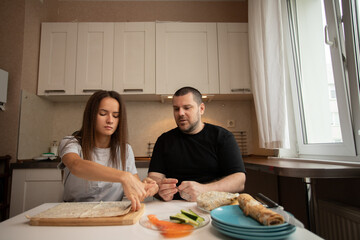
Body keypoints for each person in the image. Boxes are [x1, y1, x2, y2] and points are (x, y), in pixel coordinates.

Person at [58, 90, 158, 211]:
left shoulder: (125, 150)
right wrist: (123, 176)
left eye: (115, 116)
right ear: (91, 115)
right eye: (103, 113)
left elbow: (135, 189)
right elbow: (76, 165)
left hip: (111, 212)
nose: (110, 120)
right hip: (72, 212)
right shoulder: (71, 143)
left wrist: (146, 186)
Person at [148, 86, 246, 202]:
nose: (181, 113)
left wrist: (205, 189)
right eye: (176, 109)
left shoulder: (223, 137)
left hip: (214, 206)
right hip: (173, 206)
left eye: (187, 108)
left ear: (201, 109)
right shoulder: (164, 140)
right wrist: (160, 188)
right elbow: (154, 177)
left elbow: (239, 181)